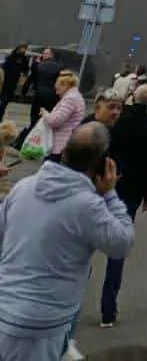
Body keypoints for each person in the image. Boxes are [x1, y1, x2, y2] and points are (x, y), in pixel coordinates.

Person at [0, 122, 134, 361]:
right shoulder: (88, 206)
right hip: (43, 322)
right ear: (102, 164)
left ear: (64, 152)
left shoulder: (23, 187)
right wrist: (110, 195)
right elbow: (121, 244)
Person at [100, 84, 147, 329]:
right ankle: (108, 310)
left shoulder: (117, 120)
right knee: (118, 247)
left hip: (107, 182)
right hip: (133, 189)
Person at [42, 73, 86, 164]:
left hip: (61, 144)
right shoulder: (75, 96)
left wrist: (45, 114)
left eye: (57, 89)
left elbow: (55, 121)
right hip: (67, 142)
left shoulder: (70, 99)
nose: (56, 92)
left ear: (65, 85)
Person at [24, 49, 60, 130]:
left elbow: (32, 77)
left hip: (41, 95)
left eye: (46, 53)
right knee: (45, 116)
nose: (44, 55)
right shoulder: (58, 66)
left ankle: (34, 130)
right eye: (43, 53)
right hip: (51, 96)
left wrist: (25, 90)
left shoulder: (39, 66)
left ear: (52, 55)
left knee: (35, 117)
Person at [0, 46, 30, 121]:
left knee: (4, 103)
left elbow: (25, 69)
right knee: (3, 102)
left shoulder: (23, 59)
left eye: (24, 49)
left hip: (11, 85)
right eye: (22, 49)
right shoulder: (11, 58)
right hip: (5, 83)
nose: (23, 51)